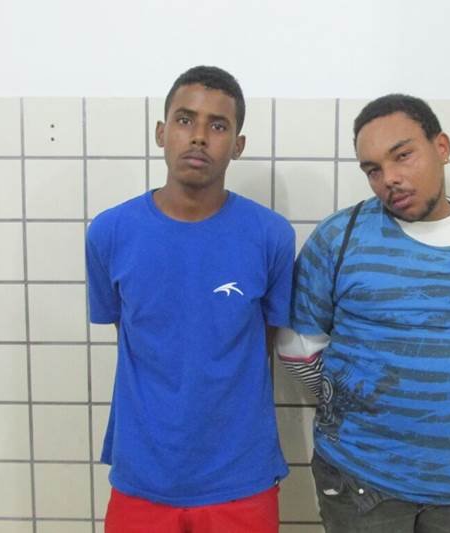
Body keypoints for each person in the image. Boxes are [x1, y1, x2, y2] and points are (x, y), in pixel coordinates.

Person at [277, 94, 450, 533]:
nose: (389, 178)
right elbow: (298, 348)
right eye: (373, 169)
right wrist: (351, 406)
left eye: (403, 155)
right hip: (359, 481)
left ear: (441, 147)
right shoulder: (339, 238)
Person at [86, 65, 295, 533]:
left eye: (218, 126)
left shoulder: (271, 236)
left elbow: (262, 342)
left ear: (238, 145)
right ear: (161, 132)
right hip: (143, 475)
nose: (199, 136)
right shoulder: (110, 233)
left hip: (241, 477)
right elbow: (132, 332)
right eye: (185, 120)